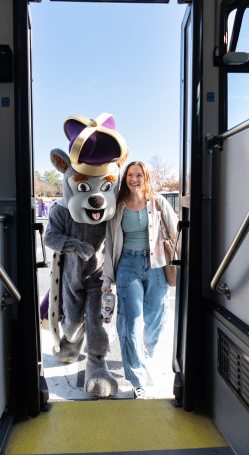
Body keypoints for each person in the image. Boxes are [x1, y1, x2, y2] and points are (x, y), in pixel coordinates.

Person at [101, 161, 178, 399]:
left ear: (146, 178)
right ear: (125, 178)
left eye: (139, 175)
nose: (134, 179)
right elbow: (110, 243)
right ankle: (137, 380)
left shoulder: (158, 203)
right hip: (128, 265)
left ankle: (145, 349)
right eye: (130, 175)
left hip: (156, 265)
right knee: (131, 322)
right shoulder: (118, 206)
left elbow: (176, 234)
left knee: (155, 319)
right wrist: (107, 275)